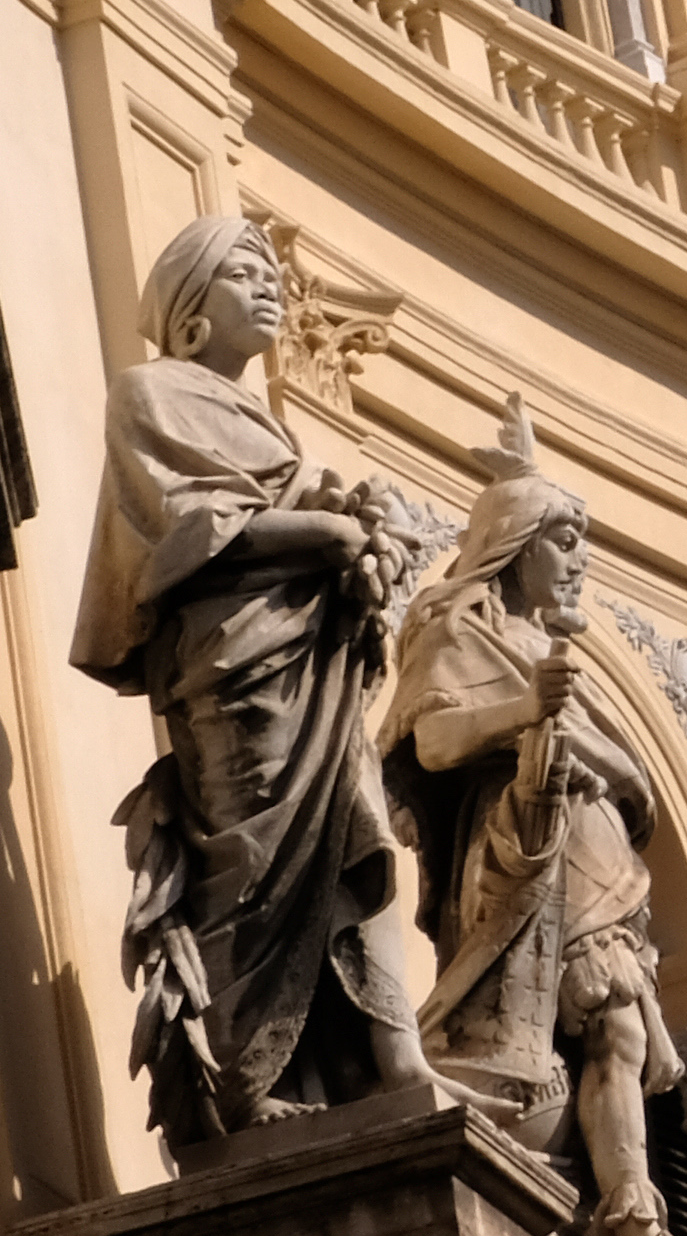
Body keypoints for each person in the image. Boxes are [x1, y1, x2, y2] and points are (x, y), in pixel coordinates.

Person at [72, 214, 440, 1150]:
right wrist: (330, 534)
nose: (270, 285)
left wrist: (358, 539)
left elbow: (291, 523)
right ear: (191, 311)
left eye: (273, 269)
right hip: (234, 668)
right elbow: (189, 531)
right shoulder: (149, 394)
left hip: (309, 664)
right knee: (251, 860)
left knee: (350, 836)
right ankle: (240, 1082)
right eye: (245, 271)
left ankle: (387, 1060)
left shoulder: (266, 428)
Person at [384, 399, 673, 1236]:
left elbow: (615, 770)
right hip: (519, 848)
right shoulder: (456, 628)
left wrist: (616, 769)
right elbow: (432, 740)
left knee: (611, 1031)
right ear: (515, 544)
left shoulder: (536, 647)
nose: (581, 563)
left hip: (588, 856)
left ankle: (624, 1222)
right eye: (565, 540)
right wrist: (527, 711)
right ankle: (594, 1216)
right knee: (569, 1035)